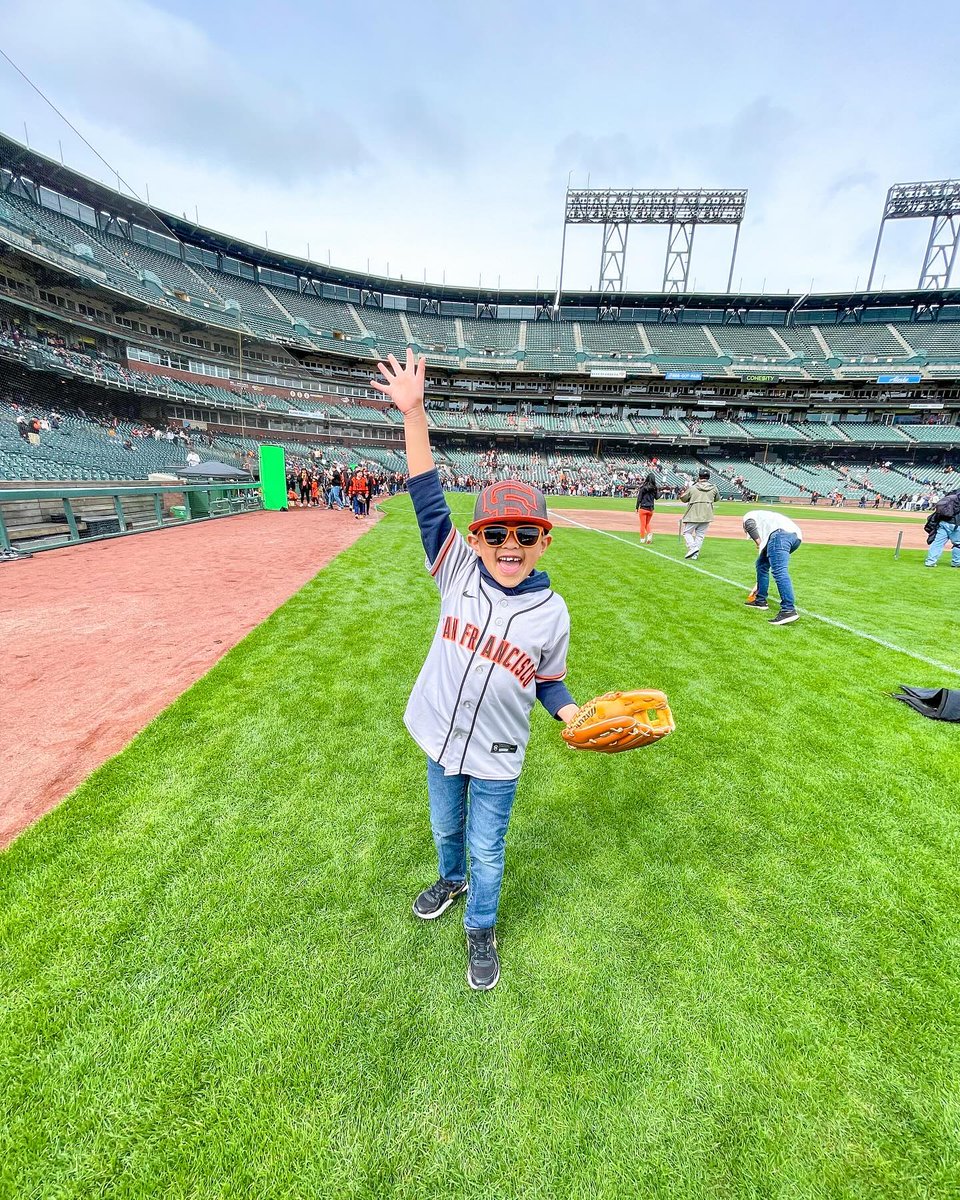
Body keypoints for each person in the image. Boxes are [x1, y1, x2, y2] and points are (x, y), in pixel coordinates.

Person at [371, 348, 579, 991]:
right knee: (445, 827)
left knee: (490, 846)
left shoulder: (552, 612)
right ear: (477, 538)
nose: (507, 546)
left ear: (544, 541)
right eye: (494, 534)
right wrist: (415, 414)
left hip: (498, 753)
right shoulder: (456, 568)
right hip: (439, 734)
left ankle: (480, 927)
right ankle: (450, 879)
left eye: (523, 535)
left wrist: (570, 711)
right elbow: (428, 498)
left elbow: (548, 680)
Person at [742, 509, 803, 625]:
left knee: (779, 571)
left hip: (781, 535)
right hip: (794, 537)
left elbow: (749, 525)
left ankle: (788, 610)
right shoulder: (765, 519)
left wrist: (758, 543)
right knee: (761, 565)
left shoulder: (748, 517)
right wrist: (758, 584)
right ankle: (760, 600)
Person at [678, 468, 720, 560]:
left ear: (699, 477)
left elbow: (683, 499)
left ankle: (693, 548)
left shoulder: (693, 487)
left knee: (687, 532)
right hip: (707, 514)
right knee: (700, 535)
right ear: (708, 477)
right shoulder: (714, 488)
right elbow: (716, 499)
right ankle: (695, 555)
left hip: (693, 514)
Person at [924, 489, 960, 569]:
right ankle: (956, 562)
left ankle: (930, 561)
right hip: (956, 524)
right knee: (958, 544)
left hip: (943, 522)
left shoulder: (950, 497)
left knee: (937, 543)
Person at [635, 470, 658, 544]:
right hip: (650, 509)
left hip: (643, 508)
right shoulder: (654, 488)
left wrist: (636, 507)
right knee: (647, 523)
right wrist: (661, 492)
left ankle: (642, 539)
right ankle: (649, 534)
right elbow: (657, 497)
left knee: (642, 524)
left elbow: (639, 498)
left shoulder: (643, 487)